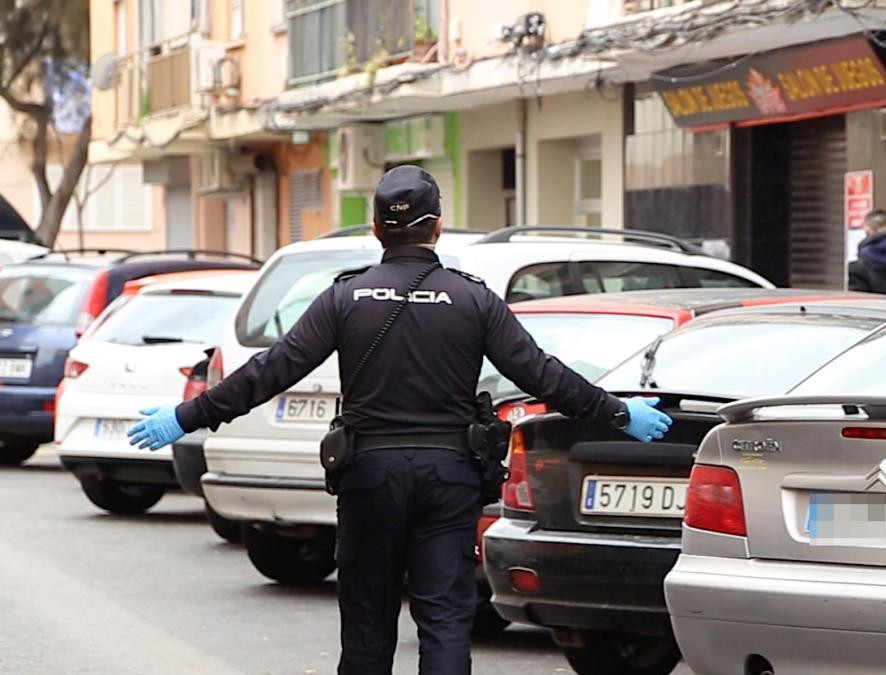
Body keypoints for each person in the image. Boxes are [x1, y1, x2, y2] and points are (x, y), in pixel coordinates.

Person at [126, 165, 674, 675]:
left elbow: (271, 370)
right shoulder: (473, 300)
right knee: (444, 622)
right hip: (449, 478)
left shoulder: (344, 297)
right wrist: (618, 412)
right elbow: (542, 374)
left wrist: (187, 415)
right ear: (437, 227)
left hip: (369, 476)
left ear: (375, 228)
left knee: (366, 624)